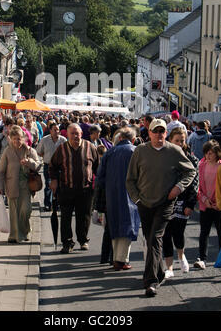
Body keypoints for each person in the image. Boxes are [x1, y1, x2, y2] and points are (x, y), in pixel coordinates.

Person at [126, 119, 196, 297]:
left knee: (155, 238)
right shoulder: (140, 151)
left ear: (166, 133)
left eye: (162, 131)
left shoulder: (174, 151)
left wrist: (178, 188)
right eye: (155, 131)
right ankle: (159, 272)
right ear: (148, 133)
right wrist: (137, 199)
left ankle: (150, 281)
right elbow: (130, 179)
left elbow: (190, 171)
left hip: (165, 203)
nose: (158, 134)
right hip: (145, 203)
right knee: (151, 239)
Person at [49, 123, 99, 254]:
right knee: (65, 217)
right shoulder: (62, 149)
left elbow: (97, 166)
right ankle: (67, 242)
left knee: (84, 217)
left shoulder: (90, 147)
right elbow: (52, 166)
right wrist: (54, 180)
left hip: (85, 189)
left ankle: (83, 240)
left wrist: (97, 183)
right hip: (66, 188)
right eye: (72, 133)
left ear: (82, 134)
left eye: (78, 133)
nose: (75, 136)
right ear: (68, 135)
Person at [96, 127, 140, 271]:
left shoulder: (110, 152)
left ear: (120, 138)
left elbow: (100, 177)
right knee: (128, 226)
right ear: (132, 139)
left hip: (111, 193)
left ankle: (116, 258)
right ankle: (121, 260)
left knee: (114, 225)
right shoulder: (135, 151)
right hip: (130, 194)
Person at [163, 127, 199, 279]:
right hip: (165, 199)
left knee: (178, 232)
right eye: (176, 140)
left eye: (182, 140)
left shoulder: (191, 159)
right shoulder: (163, 156)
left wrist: (190, 204)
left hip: (183, 200)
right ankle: (169, 267)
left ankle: (181, 254)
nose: (179, 143)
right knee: (165, 234)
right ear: (170, 140)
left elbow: (195, 183)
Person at [0, 125, 41, 243]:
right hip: (12, 185)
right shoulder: (7, 151)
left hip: (27, 186)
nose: (17, 141)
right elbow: (0, 171)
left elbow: (38, 164)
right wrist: (0, 187)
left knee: (26, 210)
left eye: (19, 138)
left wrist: (29, 162)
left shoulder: (29, 150)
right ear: (10, 138)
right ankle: (15, 235)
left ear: (24, 138)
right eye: (15, 138)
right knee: (14, 212)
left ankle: (25, 230)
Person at [194, 140, 221, 270]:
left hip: (219, 204)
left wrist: (219, 202)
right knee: (204, 232)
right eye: (206, 153)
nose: (208, 155)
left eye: (211, 153)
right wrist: (204, 199)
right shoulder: (201, 165)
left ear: (217, 153)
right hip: (205, 204)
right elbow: (198, 186)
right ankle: (202, 258)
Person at [36, 123, 66, 212]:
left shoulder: (63, 140)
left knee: (60, 185)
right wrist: (45, 156)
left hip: (60, 167)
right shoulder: (45, 140)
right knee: (49, 185)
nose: (57, 132)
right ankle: (47, 204)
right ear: (50, 130)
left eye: (58, 130)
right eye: (55, 130)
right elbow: (38, 151)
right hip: (48, 165)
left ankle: (58, 204)